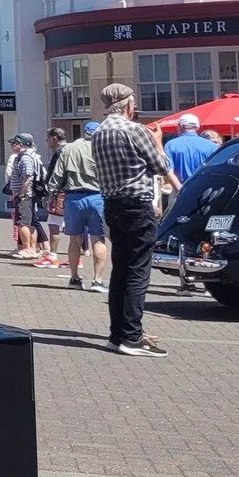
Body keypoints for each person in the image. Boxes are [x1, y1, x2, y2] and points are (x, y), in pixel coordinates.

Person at [91, 83, 179, 357]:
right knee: (138, 272)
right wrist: (158, 142)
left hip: (112, 205)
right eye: (134, 103)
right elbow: (161, 166)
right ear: (128, 105)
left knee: (120, 271)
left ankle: (117, 334)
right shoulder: (134, 130)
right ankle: (131, 336)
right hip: (136, 204)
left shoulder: (99, 132)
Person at [49, 122, 108, 293]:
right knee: (98, 238)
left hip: (73, 198)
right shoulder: (103, 148)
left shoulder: (69, 148)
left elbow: (57, 174)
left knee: (75, 239)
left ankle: (74, 277)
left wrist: (52, 195)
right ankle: (97, 280)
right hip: (97, 196)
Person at [4, 133, 45, 259]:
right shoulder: (22, 157)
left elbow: (27, 177)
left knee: (23, 223)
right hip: (26, 195)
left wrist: (21, 193)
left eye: (14, 143)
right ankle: (32, 249)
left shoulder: (25, 158)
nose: (12, 146)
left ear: (21, 144)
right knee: (29, 222)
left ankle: (27, 249)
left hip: (25, 195)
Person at [32, 128, 67, 267]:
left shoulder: (59, 152)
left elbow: (54, 174)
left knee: (53, 225)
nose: (47, 142)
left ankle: (52, 256)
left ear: (54, 138)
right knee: (76, 228)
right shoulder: (73, 149)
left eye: (47, 139)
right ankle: (76, 257)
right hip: (75, 192)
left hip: (60, 192)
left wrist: (50, 192)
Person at [163, 112, 216, 184]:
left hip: (179, 187)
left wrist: (180, 189)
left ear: (181, 126)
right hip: (204, 188)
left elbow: (168, 172)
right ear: (197, 127)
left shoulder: (170, 145)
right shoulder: (212, 146)